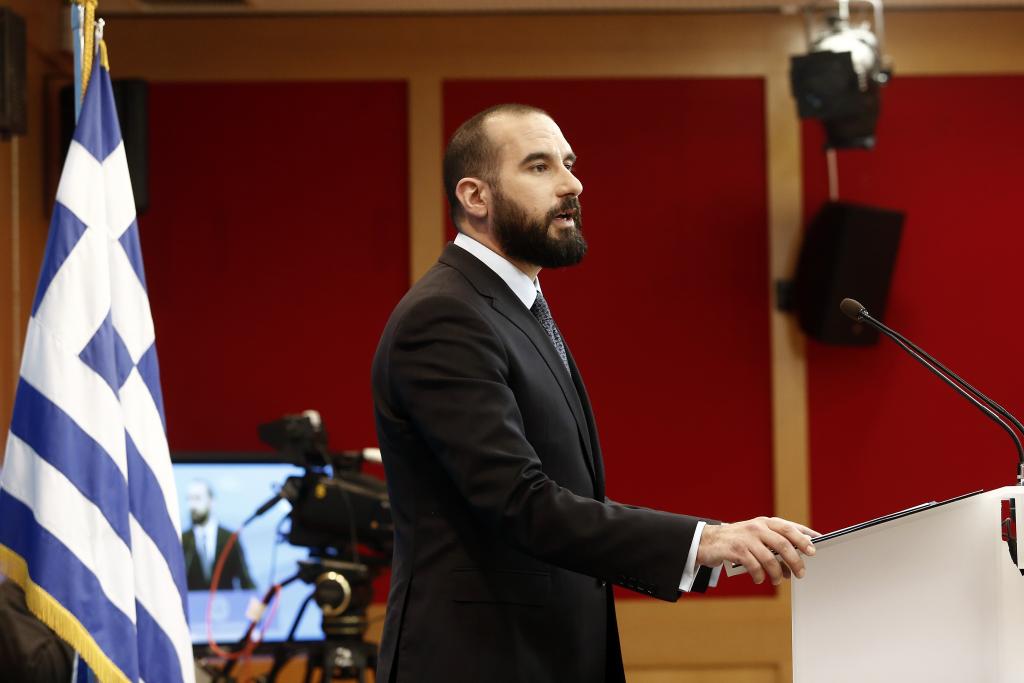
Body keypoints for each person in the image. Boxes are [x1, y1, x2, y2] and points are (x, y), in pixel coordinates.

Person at [371, 103, 817, 683]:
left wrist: (716, 542)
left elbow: (563, 493)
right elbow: (520, 502)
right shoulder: (445, 317)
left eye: (570, 163)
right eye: (539, 166)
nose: (572, 184)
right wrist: (702, 542)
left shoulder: (513, 308)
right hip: (482, 659)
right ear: (475, 196)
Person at [181, 479, 254, 591]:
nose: (192, 506)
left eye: (197, 498)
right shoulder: (182, 540)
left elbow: (245, 580)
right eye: (189, 499)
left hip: (225, 601)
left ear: (211, 501)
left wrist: (258, 599)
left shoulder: (229, 538)